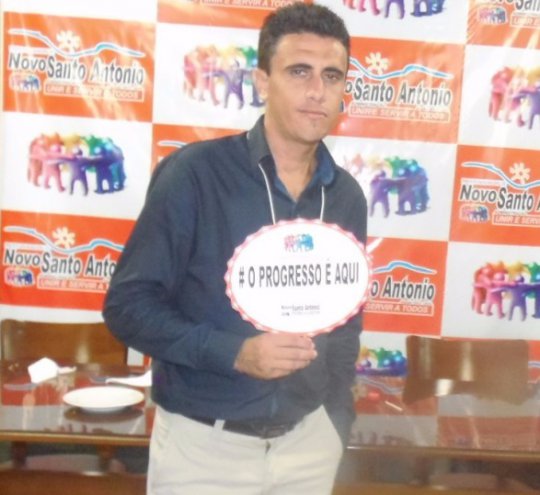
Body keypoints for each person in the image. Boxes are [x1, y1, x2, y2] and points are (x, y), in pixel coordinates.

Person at [103, 3, 367, 494]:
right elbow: (128, 307)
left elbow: (346, 322)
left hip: (308, 447)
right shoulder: (195, 175)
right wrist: (235, 354)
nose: (317, 90)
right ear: (262, 82)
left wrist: (336, 420)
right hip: (204, 451)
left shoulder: (345, 195)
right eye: (299, 71)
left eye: (332, 76)